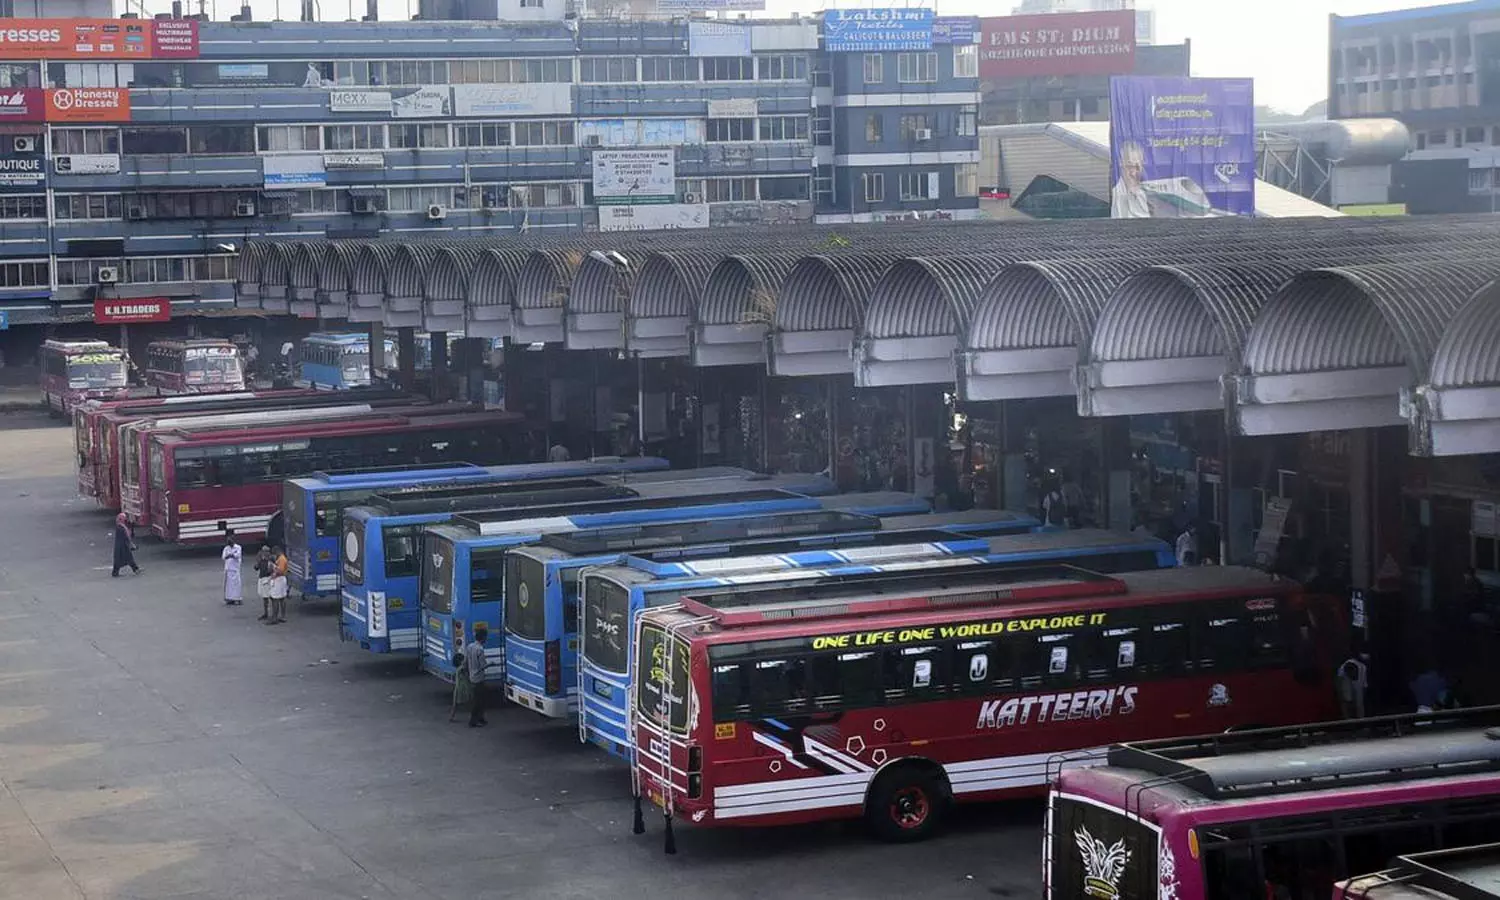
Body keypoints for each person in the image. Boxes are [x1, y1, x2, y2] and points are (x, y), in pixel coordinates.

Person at [1111, 141, 1152, 219]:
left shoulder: (1148, 192)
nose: (1133, 173)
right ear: (1121, 164)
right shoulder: (1117, 193)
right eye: (1129, 166)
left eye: (1137, 167)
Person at [464, 623, 490, 727]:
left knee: (478, 699)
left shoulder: (470, 646)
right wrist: (491, 664)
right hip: (479, 678)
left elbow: (466, 661)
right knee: (479, 701)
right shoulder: (480, 650)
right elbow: (483, 665)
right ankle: (474, 720)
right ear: (483, 638)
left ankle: (480, 718)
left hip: (471, 676)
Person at [111, 513, 141, 577]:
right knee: (128, 559)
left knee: (120, 560)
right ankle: (135, 569)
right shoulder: (121, 528)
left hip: (121, 546)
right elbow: (127, 537)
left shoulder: (120, 527)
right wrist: (132, 545)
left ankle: (135, 569)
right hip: (123, 546)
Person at [266, 545, 289, 625]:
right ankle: (282, 616)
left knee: (275, 598)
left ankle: (274, 618)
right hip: (281, 580)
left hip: (279, 580)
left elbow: (280, 571)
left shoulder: (282, 559)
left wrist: (273, 567)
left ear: (277, 551)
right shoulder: (280, 558)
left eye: (274, 553)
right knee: (282, 598)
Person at [221, 531, 243, 606]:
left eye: (230, 540)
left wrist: (231, 555)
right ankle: (229, 599)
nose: (228, 542)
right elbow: (224, 557)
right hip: (228, 569)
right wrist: (230, 555)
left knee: (236, 585)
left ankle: (238, 598)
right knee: (228, 586)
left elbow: (237, 555)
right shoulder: (226, 548)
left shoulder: (238, 547)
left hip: (235, 569)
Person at [255, 544, 274, 621]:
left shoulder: (271, 560)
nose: (264, 553)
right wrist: (258, 561)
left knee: (271, 596)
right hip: (262, 578)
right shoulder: (261, 559)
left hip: (268, 579)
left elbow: (270, 571)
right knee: (264, 597)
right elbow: (256, 568)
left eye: (265, 551)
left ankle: (273, 614)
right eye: (263, 551)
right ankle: (266, 613)